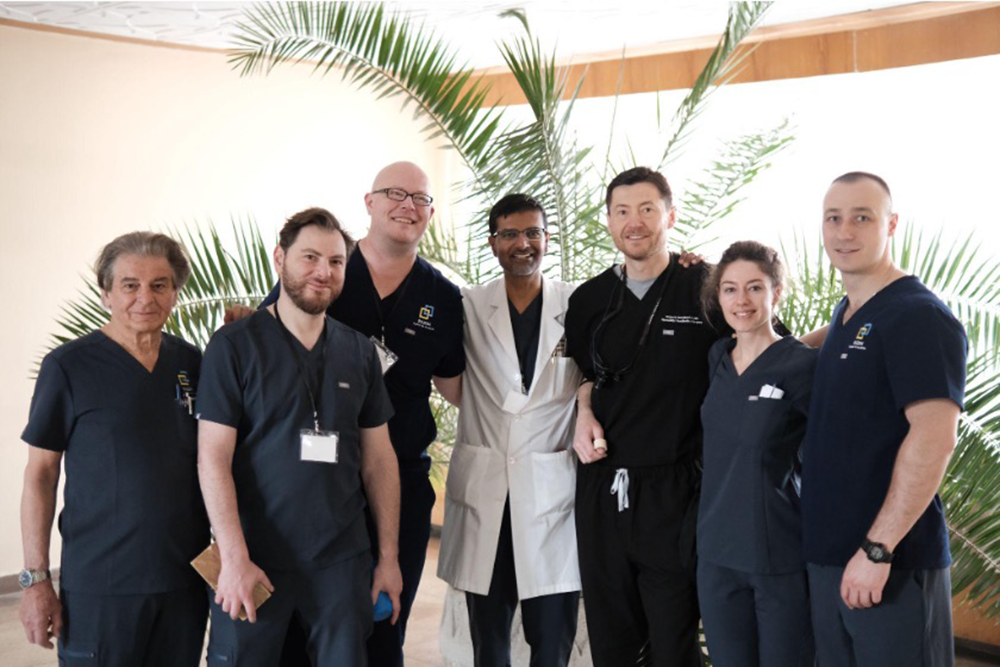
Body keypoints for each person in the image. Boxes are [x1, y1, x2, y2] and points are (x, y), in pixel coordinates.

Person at [252, 162, 464, 667]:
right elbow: (265, 344)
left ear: (430, 213)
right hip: (315, 482)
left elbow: (457, 386)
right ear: (368, 203)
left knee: (383, 621)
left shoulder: (442, 297)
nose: (408, 205)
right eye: (395, 193)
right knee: (301, 630)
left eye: (420, 198)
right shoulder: (326, 273)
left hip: (401, 480)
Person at [197, 208, 403, 665]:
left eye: (335, 261)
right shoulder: (234, 347)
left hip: (340, 560)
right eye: (309, 257)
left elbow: (379, 460)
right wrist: (232, 558)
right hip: (254, 555)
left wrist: (387, 557)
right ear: (280, 258)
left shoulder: (359, 352)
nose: (322, 272)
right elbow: (212, 457)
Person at [20, 232, 210, 665]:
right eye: (130, 285)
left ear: (176, 293)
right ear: (106, 293)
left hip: (182, 583)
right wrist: (35, 580)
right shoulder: (68, 367)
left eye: (159, 285)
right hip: (101, 587)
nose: (145, 297)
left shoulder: (192, 363)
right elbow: (40, 475)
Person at [801, 172, 967, 667]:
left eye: (862, 218)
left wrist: (877, 550)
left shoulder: (918, 316)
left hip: (887, 564)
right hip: (831, 559)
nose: (844, 231)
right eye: (834, 218)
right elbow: (780, 351)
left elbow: (935, 437)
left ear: (890, 224)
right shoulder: (847, 314)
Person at [564, 166, 725, 666]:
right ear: (609, 221)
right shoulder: (588, 299)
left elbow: (765, 347)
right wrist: (583, 409)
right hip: (602, 490)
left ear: (670, 216)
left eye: (648, 209)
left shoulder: (707, 285)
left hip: (675, 493)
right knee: (612, 642)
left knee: (673, 643)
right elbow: (585, 375)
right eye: (622, 211)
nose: (635, 222)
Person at [437, 194, 582, 667]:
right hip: (488, 497)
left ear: (547, 238)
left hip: (550, 498)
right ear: (493, 243)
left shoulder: (578, 304)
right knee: (490, 646)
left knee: (552, 645)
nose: (524, 244)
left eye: (534, 233)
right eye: (511, 234)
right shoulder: (468, 306)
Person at [696, 241, 816, 667]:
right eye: (729, 289)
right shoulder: (717, 358)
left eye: (754, 288)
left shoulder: (803, 366)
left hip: (776, 556)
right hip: (715, 555)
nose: (741, 300)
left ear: (776, 293)